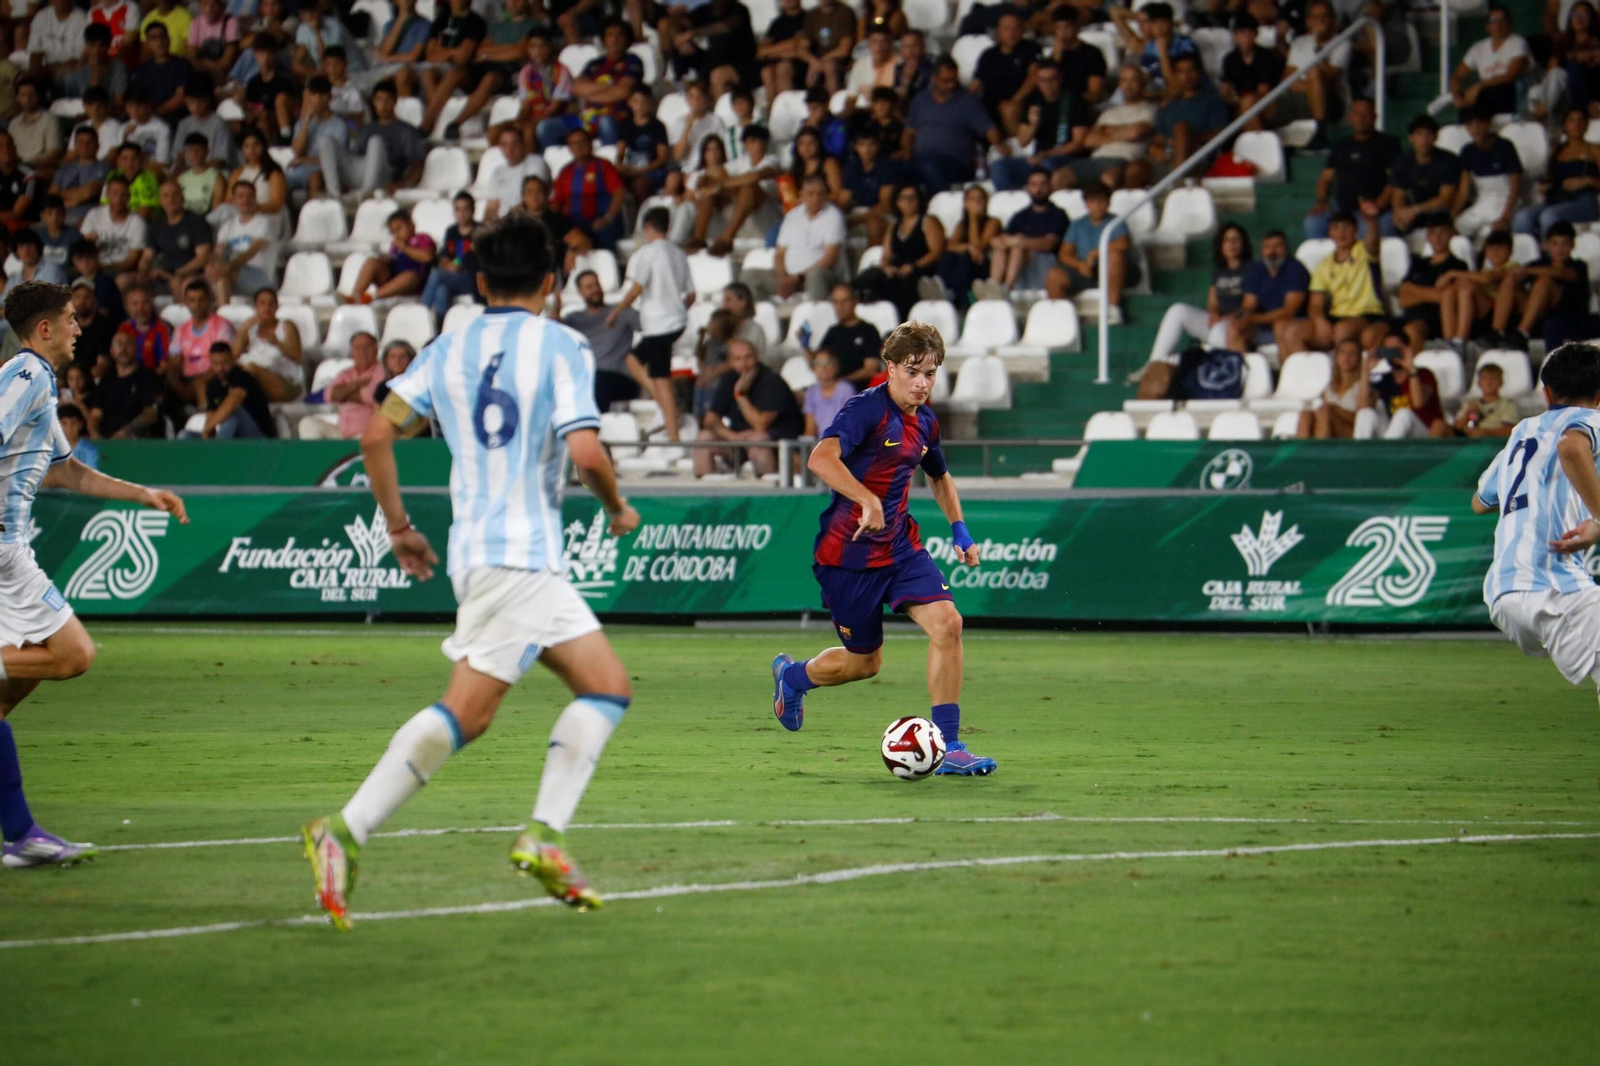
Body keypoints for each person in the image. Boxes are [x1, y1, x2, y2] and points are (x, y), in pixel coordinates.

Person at [302, 213, 641, 926]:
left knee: (607, 686)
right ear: (550, 281)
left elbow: (375, 435)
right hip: (519, 557)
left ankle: (544, 834)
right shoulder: (563, 345)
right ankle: (347, 828)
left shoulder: (445, 349)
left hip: (487, 554)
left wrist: (400, 527)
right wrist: (616, 508)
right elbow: (586, 453)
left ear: (481, 283)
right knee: (469, 711)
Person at [0, 279, 187, 868]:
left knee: (12, 690)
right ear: (44, 329)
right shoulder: (27, 373)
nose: (80, 328)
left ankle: (20, 835)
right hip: (3, 554)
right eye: (70, 318)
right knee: (73, 654)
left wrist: (144, 494)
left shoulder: (39, 381)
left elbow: (67, 472)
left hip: (10, 551)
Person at [771, 321, 994, 775]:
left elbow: (938, 475)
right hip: (848, 556)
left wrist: (960, 529)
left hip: (901, 548)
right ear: (890, 368)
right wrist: (867, 499)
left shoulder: (926, 421)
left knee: (948, 624)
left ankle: (950, 746)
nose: (922, 383)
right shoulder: (865, 409)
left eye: (930, 373)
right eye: (912, 371)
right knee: (864, 664)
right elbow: (820, 458)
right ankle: (792, 678)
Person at [1473, 342, 1600, 698]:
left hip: (1502, 594)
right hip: (1551, 584)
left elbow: (1479, 502)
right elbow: (1570, 447)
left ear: (1546, 393)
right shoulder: (1592, 421)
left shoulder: (1521, 432)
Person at [609, 206, 693, 442]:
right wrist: (677, 309)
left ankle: (673, 433)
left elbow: (636, 288)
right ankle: (668, 405)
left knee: (661, 377)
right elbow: (692, 295)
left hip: (659, 323)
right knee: (632, 360)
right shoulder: (678, 254)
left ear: (647, 227)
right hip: (675, 321)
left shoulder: (646, 254)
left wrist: (616, 312)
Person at [1140, 224, 1252, 392]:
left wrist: (1225, 317)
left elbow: (1249, 305)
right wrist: (1213, 313)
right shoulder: (1219, 271)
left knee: (1218, 331)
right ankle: (1154, 365)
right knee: (1178, 310)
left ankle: (1211, 379)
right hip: (1219, 320)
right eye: (1226, 240)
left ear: (1243, 244)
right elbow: (1213, 301)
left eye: (1235, 240)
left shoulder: (1251, 270)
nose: (1231, 244)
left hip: (1236, 324)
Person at [693, 337, 803, 477]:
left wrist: (740, 396)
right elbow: (710, 420)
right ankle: (706, 488)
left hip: (776, 443)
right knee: (704, 438)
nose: (744, 364)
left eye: (748, 357)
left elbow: (760, 425)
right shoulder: (729, 379)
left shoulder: (773, 381)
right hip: (741, 441)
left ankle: (767, 487)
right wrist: (732, 436)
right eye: (738, 359)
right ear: (730, 362)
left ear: (756, 357)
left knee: (757, 440)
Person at [1284, 208, 1387, 355]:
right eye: (1335, 228)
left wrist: (1372, 222)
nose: (1341, 232)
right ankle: (1306, 369)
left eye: (1346, 227)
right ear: (1329, 233)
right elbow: (1315, 303)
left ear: (1355, 230)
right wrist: (1319, 321)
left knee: (1342, 330)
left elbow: (1373, 241)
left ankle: (1339, 370)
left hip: (1367, 314)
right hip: (1336, 318)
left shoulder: (1364, 251)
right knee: (1292, 331)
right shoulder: (1323, 265)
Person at [1305, 97, 1400, 240]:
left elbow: (1394, 181)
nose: (1360, 118)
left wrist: (1377, 205)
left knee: (1368, 231)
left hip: (1377, 210)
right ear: (1350, 117)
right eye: (1356, 113)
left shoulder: (1388, 143)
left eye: (1365, 113)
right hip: (1343, 210)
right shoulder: (1342, 145)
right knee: (1313, 223)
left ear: (1375, 117)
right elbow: (1325, 178)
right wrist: (1321, 202)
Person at [905, 58, 1004, 193]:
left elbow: (988, 129)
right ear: (934, 78)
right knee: (890, 168)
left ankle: (937, 203)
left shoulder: (968, 102)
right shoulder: (920, 100)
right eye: (946, 81)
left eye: (954, 80)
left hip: (954, 164)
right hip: (920, 160)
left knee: (930, 167)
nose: (951, 85)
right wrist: (906, 153)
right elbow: (908, 133)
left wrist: (999, 144)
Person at [1491, 221, 1593, 351]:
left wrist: (1527, 271)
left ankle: (1522, 333)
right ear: (1547, 245)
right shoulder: (1539, 264)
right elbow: (1516, 275)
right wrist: (1514, 275)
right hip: (1538, 317)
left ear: (1572, 245)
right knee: (1509, 283)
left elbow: (1561, 273)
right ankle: (1497, 333)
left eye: (1564, 244)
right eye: (1555, 244)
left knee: (1543, 282)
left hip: (1568, 318)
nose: (1559, 249)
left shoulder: (1579, 266)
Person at [1045, 184, 1137, 317]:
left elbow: (1124, 243)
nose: (1098, 206)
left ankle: (1112, 310)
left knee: (1114, 256)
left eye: (1102, 201)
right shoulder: (1077, 224)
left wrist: (1096, 253)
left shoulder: (1116, 221)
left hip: (1115, 270)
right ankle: (1062, 317)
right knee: (1054, 275)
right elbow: (1064, 254)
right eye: (1093, 201)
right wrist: (1079, 265)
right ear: (1087, 204)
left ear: (1109, 203)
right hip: (1086, 269)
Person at [565, 268, 640, 413]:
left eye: (597, 285)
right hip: (589, 379)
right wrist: (556, 305)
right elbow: (553, 331)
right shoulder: (574, 319)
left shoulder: (621, 312)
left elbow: (652, 329)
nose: (595, 289)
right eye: (589, 287)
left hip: (620, 378)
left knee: (597, 380)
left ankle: (593, 424)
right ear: (580, 293)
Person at [983, 168, 1066, 299]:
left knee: (1018, 246)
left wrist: (1020, 241)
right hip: (1020, 265)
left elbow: (1048, 244)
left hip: (1045, 264)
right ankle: (993, 286)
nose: (1038, 189)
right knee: (1001, 247)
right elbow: (1006, 237)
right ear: (1027, 187)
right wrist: (997, 241)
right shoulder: (1021, 215)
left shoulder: (1058, 214)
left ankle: (1007, 288)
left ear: (1050, 187)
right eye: (1034, 184)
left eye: (1043, 184)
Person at [1515, 108, 1600, 237]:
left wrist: (1587, 181)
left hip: (1583, 201)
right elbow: (1550, 179)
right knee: (1522, 217)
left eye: (1581, 120)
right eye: (1572, 121)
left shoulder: (1594, 149)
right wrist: (1545, 186)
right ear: (1565, 125)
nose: (1577, 125)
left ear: (1587, 124)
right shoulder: (1557, 150)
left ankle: (1551, 249)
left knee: (1549, 215)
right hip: (1557, 199)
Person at [1397, 219, 1471, 354]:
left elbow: (1447, 297)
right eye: (1432, 232)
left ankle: (1415, 367)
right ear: (1427, 236)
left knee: (1413, 330)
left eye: (1442, 232)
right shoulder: (1418, 264)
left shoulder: (1457, 265)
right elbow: (1403, 299)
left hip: (1436, 320)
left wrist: (1414, 292)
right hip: (1410, 317)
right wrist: (1434, 293)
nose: (1437, 237)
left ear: (1451, 234)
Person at [773, 173, 847, 301]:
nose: (816, 198)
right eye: (811, 194)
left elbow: (830, 258)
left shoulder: (834, 216)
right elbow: (779, 254)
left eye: (820, 194)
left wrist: (797, 278)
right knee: (753, 276)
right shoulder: (792, 216)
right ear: (801, 195)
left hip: (819, 275)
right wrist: (783, 277)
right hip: (789, 276)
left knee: (815, 275)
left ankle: (816, 311)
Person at [552, 126, 626, 252]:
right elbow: (557, 202)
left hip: (600, 220)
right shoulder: (565, 172)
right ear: (569, 148)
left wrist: (608, 217)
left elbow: (619, 192)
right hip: (573, 223)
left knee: (603, 233)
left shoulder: (604, 166)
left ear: (591, 143)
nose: (579, 146)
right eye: (574, 143)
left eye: (583, 141)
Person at [1454, 105, 1524, 239]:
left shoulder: (1505, 147)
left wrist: (1505, 217)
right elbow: (1464, 191)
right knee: (1458, 225)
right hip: (1483, 201)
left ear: (1488, 123)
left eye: (1479, 123)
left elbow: (1516, 188)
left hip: (1505, 201)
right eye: (1470, 124)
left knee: (1488, 233)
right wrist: (1452, 214)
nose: (1475, 129)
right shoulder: (1467, 151)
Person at [1387, 113, 1463, 237]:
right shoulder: (1402, 161)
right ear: (1411, 138)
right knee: (1388, 224)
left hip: (1441, 212)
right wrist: (1399, 214)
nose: (1424, 139)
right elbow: (1397, 196)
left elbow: (1445, 199)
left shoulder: (1448, 161)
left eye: (1429, 134)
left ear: (1436, 136)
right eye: (1419, 134)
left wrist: (1415, 210)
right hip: (1413, 211)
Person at [180, 340, 275, 438]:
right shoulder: (213, 385)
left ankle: (218, 447)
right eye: (216, 364)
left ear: (232, 360)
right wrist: (208, 433)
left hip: (258, 438)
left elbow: (233, 402)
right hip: (231, 438)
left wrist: (207, 429)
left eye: (224, 363)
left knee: (234, 413)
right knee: (185, 436)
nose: (220, 368)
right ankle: (214, 446)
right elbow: (210, 416)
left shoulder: (242, 377)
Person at [1279, 0, 1348, 130]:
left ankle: (1320, 131)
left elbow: (1331, 80)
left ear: (1333, 20)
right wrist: (1313, 87)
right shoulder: (1299, 42)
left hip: (1331, 100)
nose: (1320, 21)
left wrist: (1318, 45)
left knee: (1314, 73)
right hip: (1299, 97)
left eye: (1325, 16)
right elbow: (1287, 80)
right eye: (1315, 17)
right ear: (1308, 21)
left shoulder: (1342, 43)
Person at [877, 183, 944, 319]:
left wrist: (913, 266)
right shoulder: (894, 226)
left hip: (920, 269)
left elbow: (936, 252)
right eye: (903, 198)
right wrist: (887, 267)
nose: (908, 202)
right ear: (897, 202)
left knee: (903, 287)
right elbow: (886, 255)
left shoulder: (928, 222)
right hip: (898, 269)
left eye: (912, 198)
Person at [342, 209, 435, 304]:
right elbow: (393, 260)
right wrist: (386, 260)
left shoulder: (423, 238)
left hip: (415, 281)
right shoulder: (395, 246)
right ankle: (355, 296)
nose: (397, 235)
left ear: (411, 225)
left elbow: (428, 257)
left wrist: (405, 248)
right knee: (372, 262)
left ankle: (370, 297)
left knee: (410, 276)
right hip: (393, 277)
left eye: (399, 229)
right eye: (393, 233)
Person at [207, 179, 278, 304]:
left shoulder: (263, 223)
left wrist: (229, 266)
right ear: (233, 199)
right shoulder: (228, 225)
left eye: (250, 196)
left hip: (262, 277)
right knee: (202, 279)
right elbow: (218, 253)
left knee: (226, 274)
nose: (245, 200)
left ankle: (221, 313)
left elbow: (251, 252)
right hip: (232, 273)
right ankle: (222, 312)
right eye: (240, 196)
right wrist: (211, 266)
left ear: (255, 198)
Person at [1451, 5, 1529, 118]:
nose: (1498, 25)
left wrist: (1479, 86)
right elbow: (1457, 76)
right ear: (1487, 26)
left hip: (1510, 92)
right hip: (1485, 96)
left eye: (1502, 20)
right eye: (1493, 21)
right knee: (1467, 106)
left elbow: (1510, 76)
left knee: (1486, 95)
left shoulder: (1518, 42)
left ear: (1509, 23)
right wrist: (1457, 94)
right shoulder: (1478, 48)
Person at [1444, 229, 1517, 349]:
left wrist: (1452, 273)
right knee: (1450, 291)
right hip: (1481, 312)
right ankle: (1450, 339)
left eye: (1500, 248)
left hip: (1498, 312)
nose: (1495, 252)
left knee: (1467, 287)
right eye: (1491, 248)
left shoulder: (1513, 267)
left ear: (1510, 251)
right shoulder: (1484, 271)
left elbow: (1488, 279)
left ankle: (1460, 341)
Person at [972, 11, 1040, 132]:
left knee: (1010, 110)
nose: (1011, 33)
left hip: (1021, 101)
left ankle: (1014, 143)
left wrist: (1014, 100)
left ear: (1022, 30)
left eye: (1015, 29)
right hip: (990, 103)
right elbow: (977, 82)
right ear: (998, 31)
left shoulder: (1031, 49)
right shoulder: (988, 55)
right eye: (1007, 29)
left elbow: (1033, 77)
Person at [168, 278, 233, 404]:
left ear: (209, 300)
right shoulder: (180, 330)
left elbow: (223, 361)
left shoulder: (221, 326)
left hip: (213, 378)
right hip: (186, 381)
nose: (197, 305)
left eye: (201, 299)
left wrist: (198, 384)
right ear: (186, 302)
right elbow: (174, 362)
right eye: (192, 300)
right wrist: (178, 385)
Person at [232, 286, 302, 401]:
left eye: (271, 303)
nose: (267, 308)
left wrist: (278, 343)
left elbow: (298, 356)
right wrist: (244, 329)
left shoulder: (286, 326)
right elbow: (233, 355)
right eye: (262, 303)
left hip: (284, 381)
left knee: (251, 369)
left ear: (277, 306)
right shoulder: (251, 329)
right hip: (254, 377)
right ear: (256, 306)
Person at [93, 329, 166, 439]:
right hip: (108, 441)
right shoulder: (105, 381)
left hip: (138, 440)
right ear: (112, 351)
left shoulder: (149, 377)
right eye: (118, 344)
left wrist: (125, 432)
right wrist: (94, 433)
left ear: (136, 349)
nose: (123, 349)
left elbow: (151, 414)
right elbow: (95, 415)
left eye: (128, 344)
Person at [938, 185, 1000, 311]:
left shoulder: (993, 222)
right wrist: (968, 247)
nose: (976, 202)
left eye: (980, 199)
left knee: (966, 258)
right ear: (965, 203)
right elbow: (950, 246)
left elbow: (979, 247)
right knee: (949, 257)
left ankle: (961, 298)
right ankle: (943, 289)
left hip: (983, 265)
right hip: (964, 268)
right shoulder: (962, 225)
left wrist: (973, 219)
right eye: (972, 199)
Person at [421, 193, 481, 321]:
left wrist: (456, 262)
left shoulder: (480, 231)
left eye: (465, 209)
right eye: (457, 209)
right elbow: (444, 259)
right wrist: (453, 263)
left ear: (473, 210)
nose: (461, 214)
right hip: (453, 278)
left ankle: (421, 315)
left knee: (437, 275)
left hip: (472, 279)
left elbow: (461, 261)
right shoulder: (451, 231)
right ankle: (440, 327)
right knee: (442, 290)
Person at [79, 174, 146, 287]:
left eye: (123, 195)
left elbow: (132, 260)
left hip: (120, 271)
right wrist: (88, 240)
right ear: (107, 195)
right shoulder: (94, 215)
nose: (119, 199)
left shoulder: (137, 222)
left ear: (129, 196)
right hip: (93, 269)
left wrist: (105, 266)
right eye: (115, 194)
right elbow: (82, 247)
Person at [1220, 13, 1282, 128]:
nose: (1247, 37)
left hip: (1267, 104)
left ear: (1256, 34)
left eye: (1250, 32)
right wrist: (1236, 102)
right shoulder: (1229, 59)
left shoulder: (1266, 57)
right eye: (1242, 33)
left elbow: (1263, 91)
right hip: (1239, 104)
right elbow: (1225, 91)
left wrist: (1243, 103)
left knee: (1247, 103)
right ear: (1235, 35)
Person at [1296, 337, 1363, 439]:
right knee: (1306, 414)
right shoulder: (1330, 386)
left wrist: (1336, 410)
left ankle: (1321, 447)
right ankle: (1301, 447)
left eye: (1352, 354)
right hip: (1330, 427)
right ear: (1336, 357)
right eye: (1342, 352)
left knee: (1325, 414)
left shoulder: (1361, 385)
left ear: (1359, 358)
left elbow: (1363, 419)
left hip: (1350, 431)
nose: (1346, 357)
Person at [818, 282, 882, 387]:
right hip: (835, 390)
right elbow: (819, 362)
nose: (840, 306)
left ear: (855, 302)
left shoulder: (868, 330)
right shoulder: (833, 332)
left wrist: (842, 383)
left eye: (844, 301)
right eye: (836, 302)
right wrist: (805, 346)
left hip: (861, 390)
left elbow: (870, 369)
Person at [483, 128, 549, 223]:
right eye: (504, 145)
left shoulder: (536, 163)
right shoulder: (497, 172)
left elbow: (534, 202)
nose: (509, 149)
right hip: (504, 225)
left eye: (514, 143)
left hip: (530, 222)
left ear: (522, 144)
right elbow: (492, 208)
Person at [47, 128, 108, 229]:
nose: (85, 145)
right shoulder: (64, 169)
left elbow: (87, 193)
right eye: (80, 142)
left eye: (89, 142)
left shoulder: (105, 168)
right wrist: (73, 199)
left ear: (97, 145)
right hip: (59, 217)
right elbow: (52, 196)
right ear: (75, 146)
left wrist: (60, 193)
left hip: (87, 217)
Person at [1454, 364, 1520, 439]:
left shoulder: (1507, 406)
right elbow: (1456, 428)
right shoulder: (1470, 404)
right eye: (1485, 378)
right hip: (1469, 442)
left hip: (1494, 443)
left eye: (1493, 379)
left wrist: (1486, 433)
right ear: (1479, 382)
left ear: (1501, 382)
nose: (1488, 383)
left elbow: (1510, 430)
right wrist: (1468, 413)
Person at [116, 285, 172, 373]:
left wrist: (146, 378)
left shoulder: (162, 328)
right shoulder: (124, 328)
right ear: (127, 307)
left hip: (154, 376)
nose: (140, 309)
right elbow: (118, 358)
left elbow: (165, 366)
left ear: (151, 304)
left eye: (145, 303)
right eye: (135, 304)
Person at [803, 348, 856, 436]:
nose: (823, 367)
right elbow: (810, 428)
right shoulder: (811, 392)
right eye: (818, 363)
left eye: (828, 363)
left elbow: (850, 423)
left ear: (836, 367)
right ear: (813, 368)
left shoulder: (846, 389)